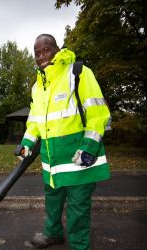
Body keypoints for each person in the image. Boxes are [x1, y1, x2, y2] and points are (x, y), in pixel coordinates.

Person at [15, 34, 111, 250]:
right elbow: (35, 122)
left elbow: (98, 114)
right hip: (52, 161)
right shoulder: (37, 87)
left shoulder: (78, 73)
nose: (41, 56)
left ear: (57, 49)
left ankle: (79, 246)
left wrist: (88, 148)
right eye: (37, 53)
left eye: (46, 50)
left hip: (79, 157)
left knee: (78, 207)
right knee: (53, 200)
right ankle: (53, 233)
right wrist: (26, 144)